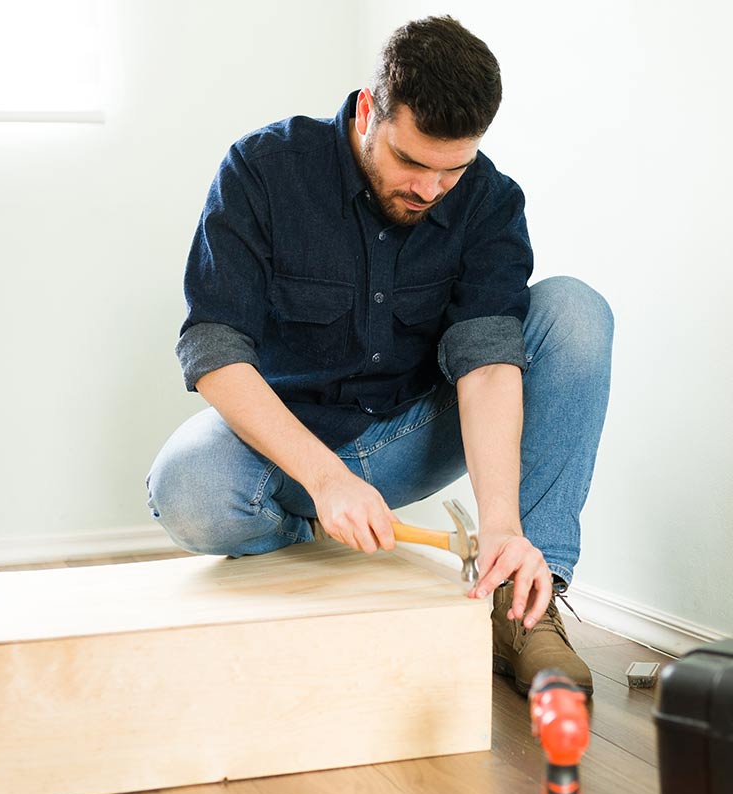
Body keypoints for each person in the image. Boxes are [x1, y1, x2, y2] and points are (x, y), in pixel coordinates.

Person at [147, 16, 612, 693]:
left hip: (411, 434)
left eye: (451, 169)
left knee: (573, 311)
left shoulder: (490, 201)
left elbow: (485, 364)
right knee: (186, 488)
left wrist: (501, 526)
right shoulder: (263, 169)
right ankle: (310, 541)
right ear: (369, 111)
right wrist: (325, 481)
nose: (429, 189)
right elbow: (214, 347)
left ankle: (520, 598)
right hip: (287, 449)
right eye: (412, 163)